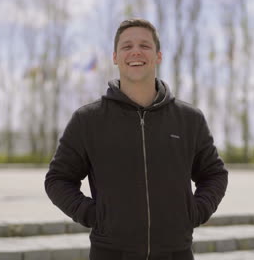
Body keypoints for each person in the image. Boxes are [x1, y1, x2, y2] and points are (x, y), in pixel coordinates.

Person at [45, 18, 228, 260]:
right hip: (110, 253)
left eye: (145, 45)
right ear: (115, 57)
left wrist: (194, 212)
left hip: (175, 253)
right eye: (127, 46)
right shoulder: (88, 120)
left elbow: (214, 174)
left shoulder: (189, 119)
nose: (136, 52)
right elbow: (58, 180)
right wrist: (95, 215)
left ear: (158, 56)